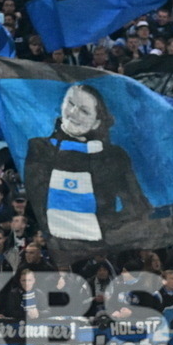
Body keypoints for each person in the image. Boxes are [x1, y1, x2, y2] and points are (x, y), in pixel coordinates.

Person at [25, 85, 152, 266]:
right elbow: (36, 200)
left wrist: (103, 228)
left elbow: (138, 206)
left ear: (97, 123)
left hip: (100, 251)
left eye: (84, 111)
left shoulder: (114, 156)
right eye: (70, 103)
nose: (73, 113)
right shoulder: (39, 148)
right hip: (56, 250)